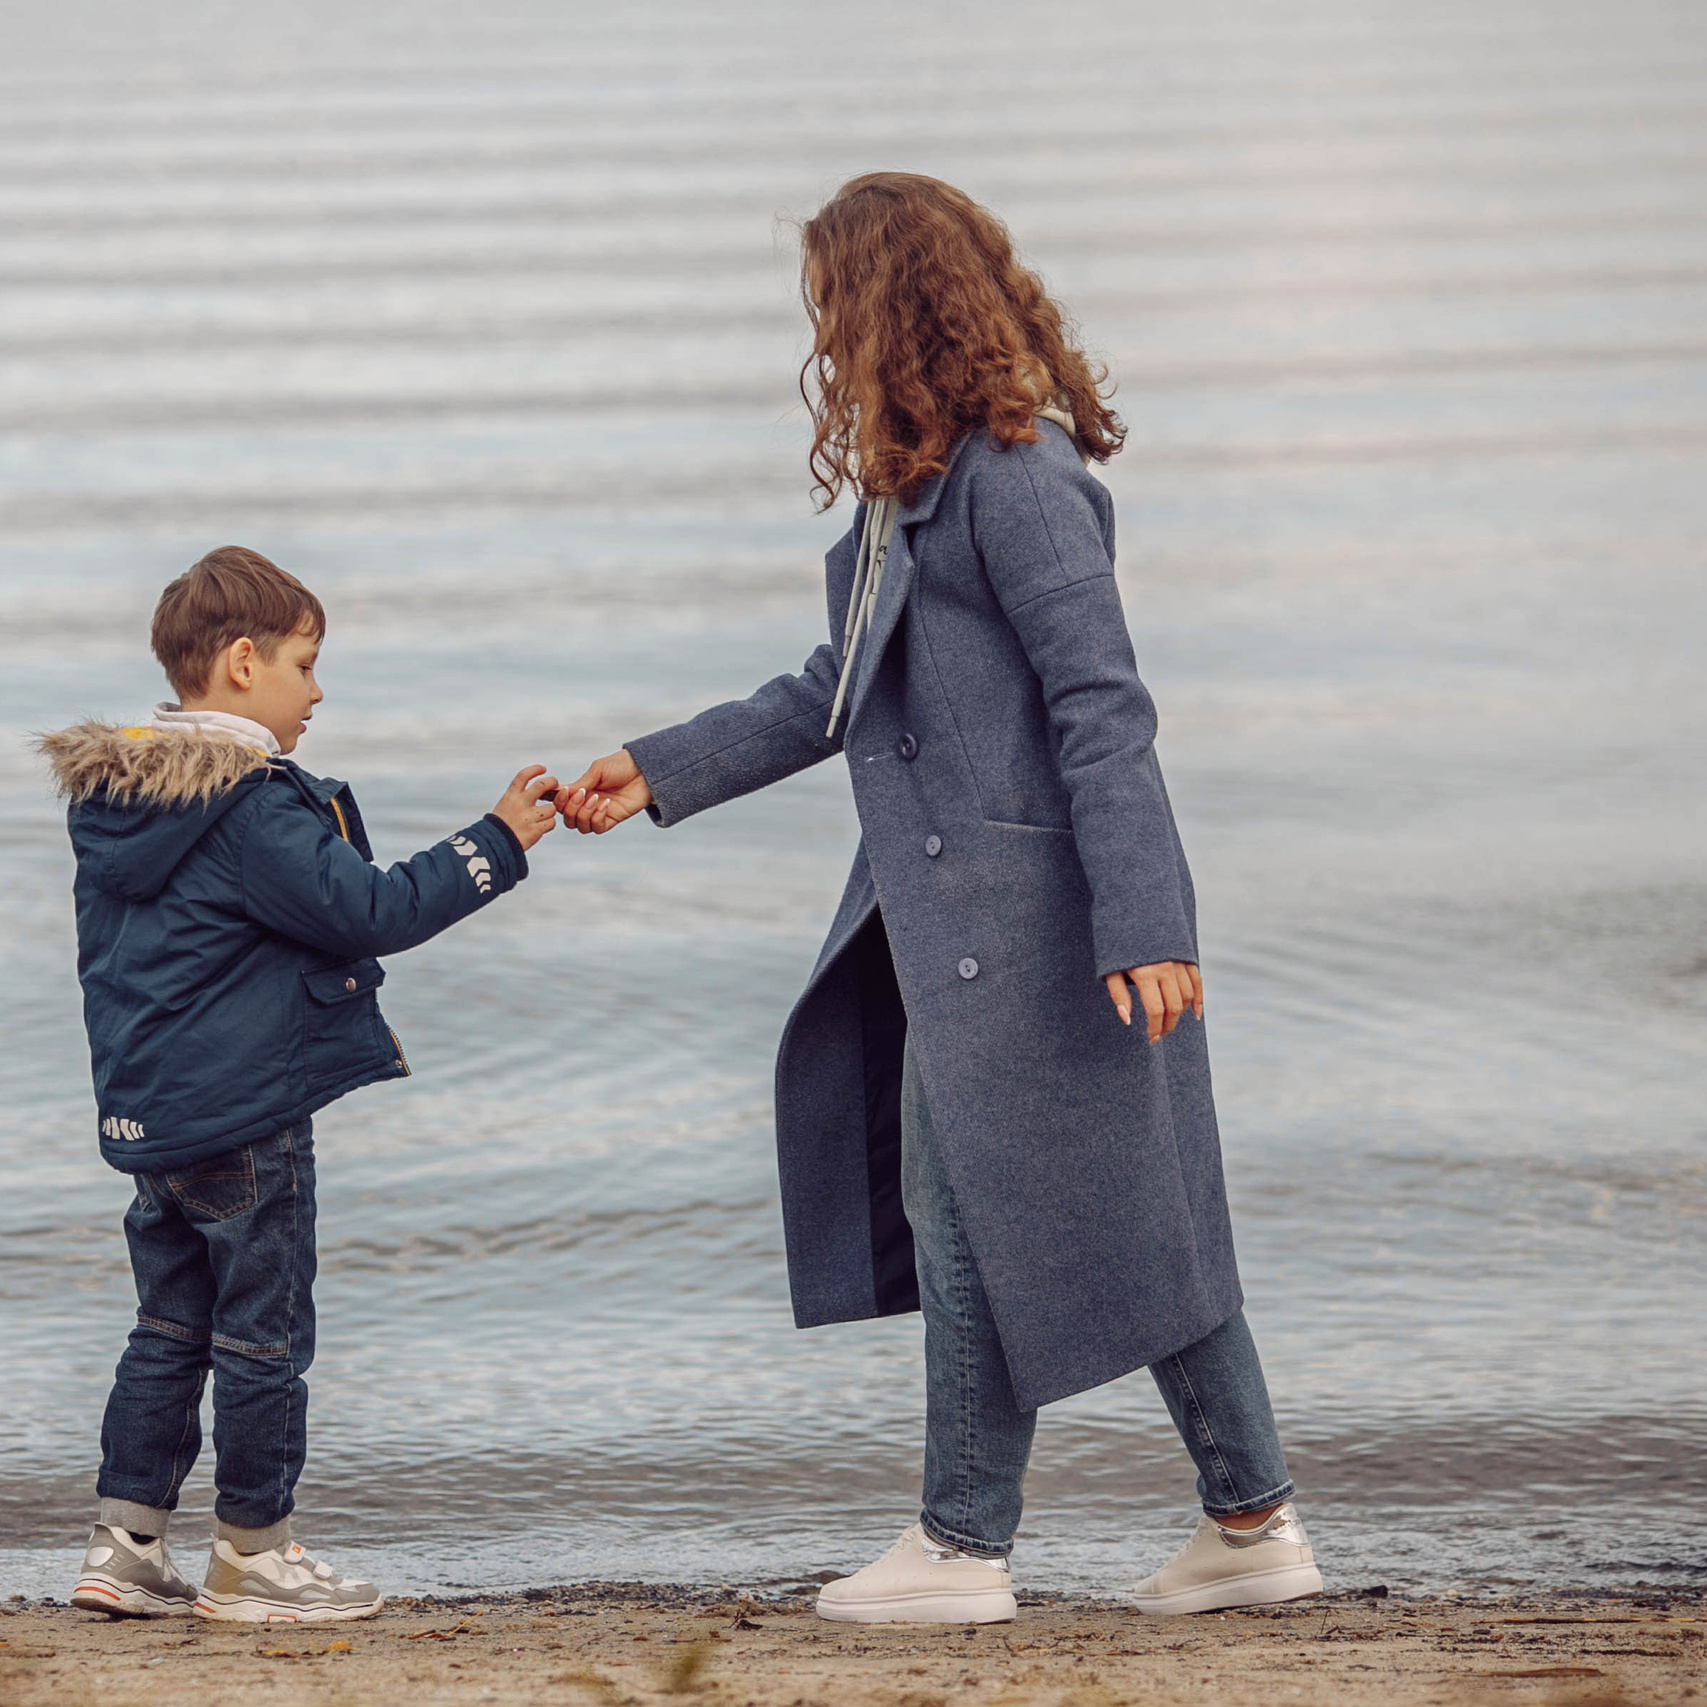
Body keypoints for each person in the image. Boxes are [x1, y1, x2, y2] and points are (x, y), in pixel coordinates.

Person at [556, 173, 1323, 1624]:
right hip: (949, 932)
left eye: (834, 311)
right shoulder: (907, 499)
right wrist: (654, 771)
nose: (825, 346)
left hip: (1044, 932)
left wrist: (1148, 921)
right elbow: (827, 694)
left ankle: (963, 1546)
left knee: (995, 1208)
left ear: (886, 310)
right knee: (1125, 1211)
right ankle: (1251, 1522)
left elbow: (1108, 708)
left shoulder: (1023, 486)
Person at [40, 546, 559, 1622]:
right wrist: (495, 840)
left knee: (168, 1329)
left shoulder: (123, 805)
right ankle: (255, 1557)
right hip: (245, 1118)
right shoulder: (248, 807)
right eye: (305, 663)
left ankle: (124, 1547)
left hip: (154, 1120)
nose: (317, 692)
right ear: (240, 663)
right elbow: (370, 913)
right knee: (264, 1336)